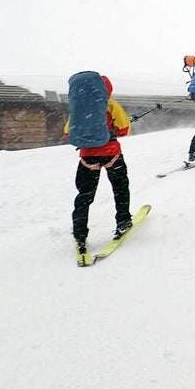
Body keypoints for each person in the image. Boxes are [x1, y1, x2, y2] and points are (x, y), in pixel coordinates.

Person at [65, 73, 132, 265]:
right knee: (120, 189)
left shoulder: (78, 108)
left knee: (84, 195)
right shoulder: (110, 104)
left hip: (87, 157)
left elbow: (68, 131)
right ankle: (123, 221)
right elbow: (124, 129)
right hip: (112, 154)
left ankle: (79, 232)